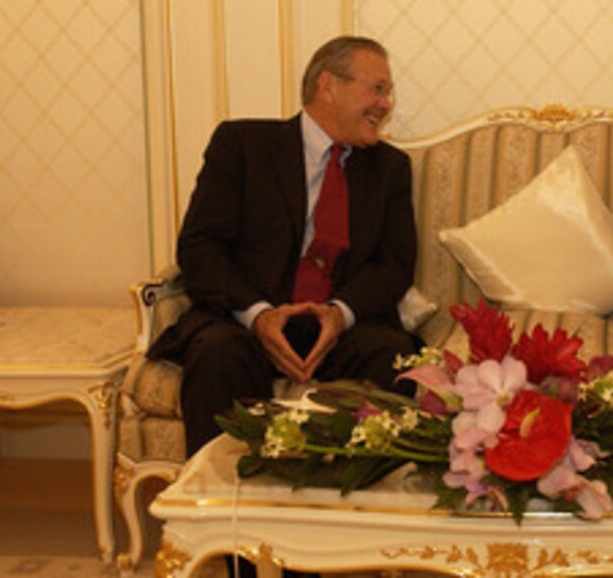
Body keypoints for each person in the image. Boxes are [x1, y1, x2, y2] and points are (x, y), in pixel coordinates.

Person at [148, 35, 420, 457]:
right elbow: (201, 247)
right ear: (328, 86)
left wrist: (340, 314)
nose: (386, 104)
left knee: (401, 360)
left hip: (342, 327)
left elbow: (394, 265)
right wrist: (258, 316)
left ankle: (377, 512)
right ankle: (217, 504)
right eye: (377, 89)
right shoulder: (242, 146)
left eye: (389, 93)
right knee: (217, 355)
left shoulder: (390, 169)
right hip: (245, 320)